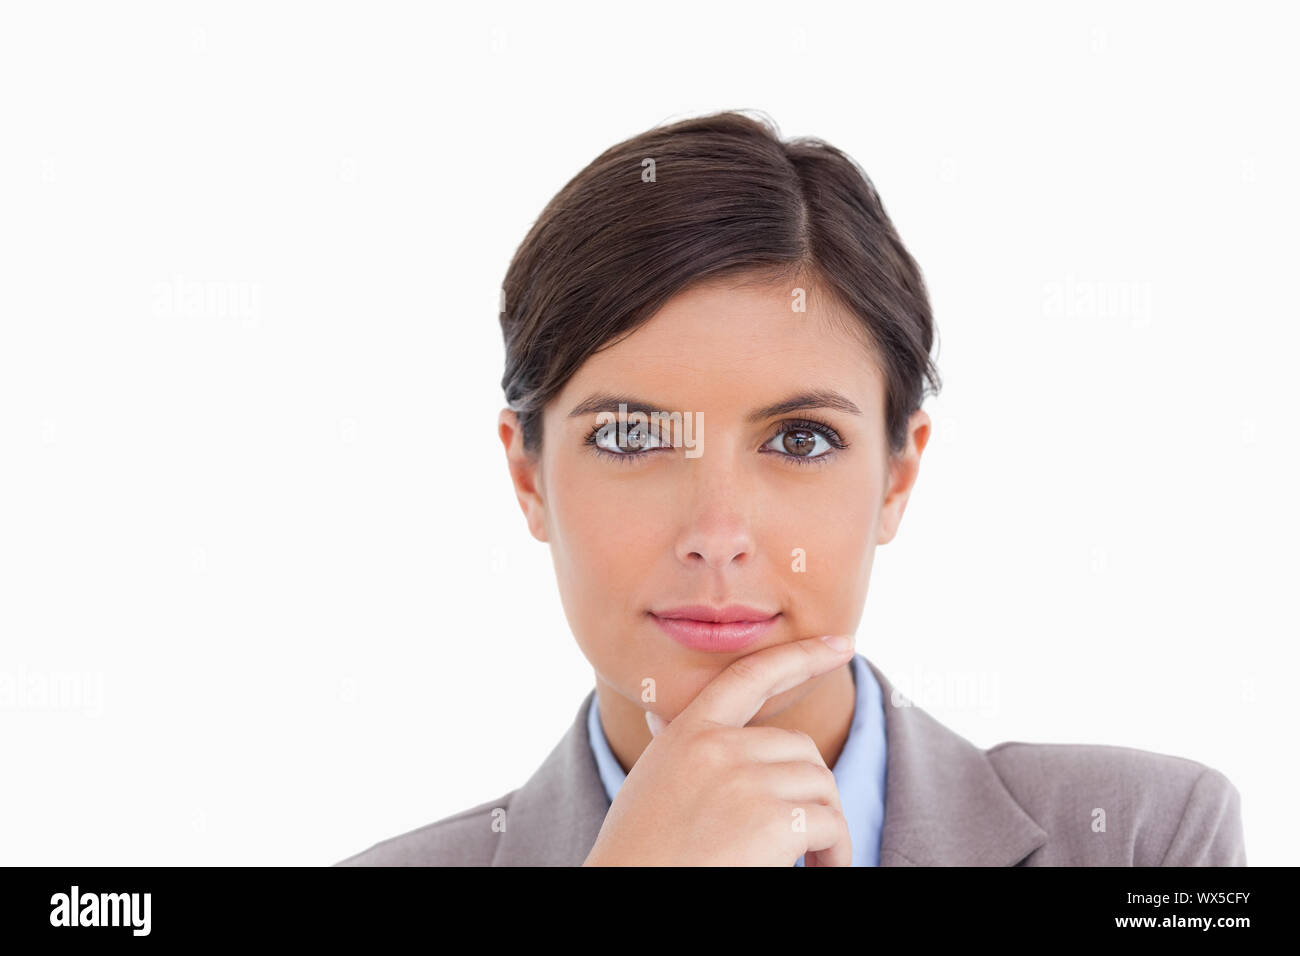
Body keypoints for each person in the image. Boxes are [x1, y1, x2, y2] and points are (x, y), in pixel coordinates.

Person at [335, 111, 1246, 867]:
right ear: (527, 476)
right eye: (629, 435)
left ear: (898, 475)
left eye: (801, 438)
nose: (718, 533)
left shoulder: (1147, 840)